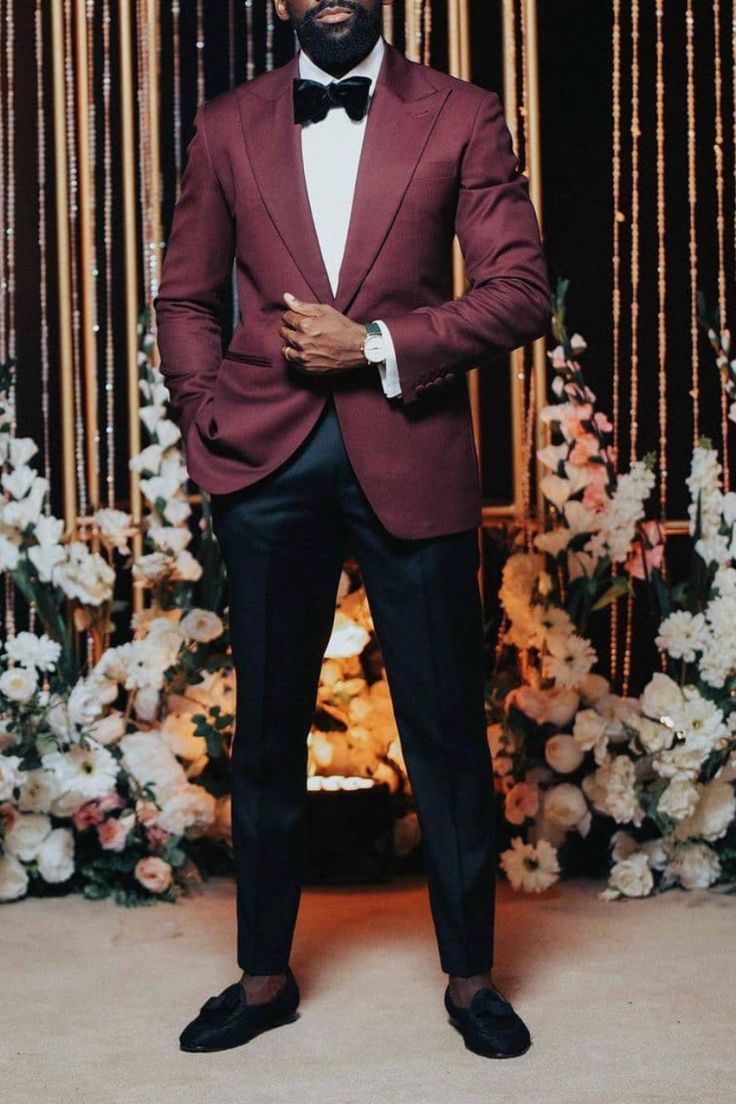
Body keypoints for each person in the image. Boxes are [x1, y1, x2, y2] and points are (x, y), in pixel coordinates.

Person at [154, 0, 551, 1060]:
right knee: (268, 737)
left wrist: (375, 345)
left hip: (409, 455)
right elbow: (184, 296)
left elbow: (520, 290)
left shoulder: (462, 113)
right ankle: (264, 976)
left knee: (445, 737)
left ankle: (471, 981)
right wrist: (206, 413)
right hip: (265, 463)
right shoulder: (228, 121)